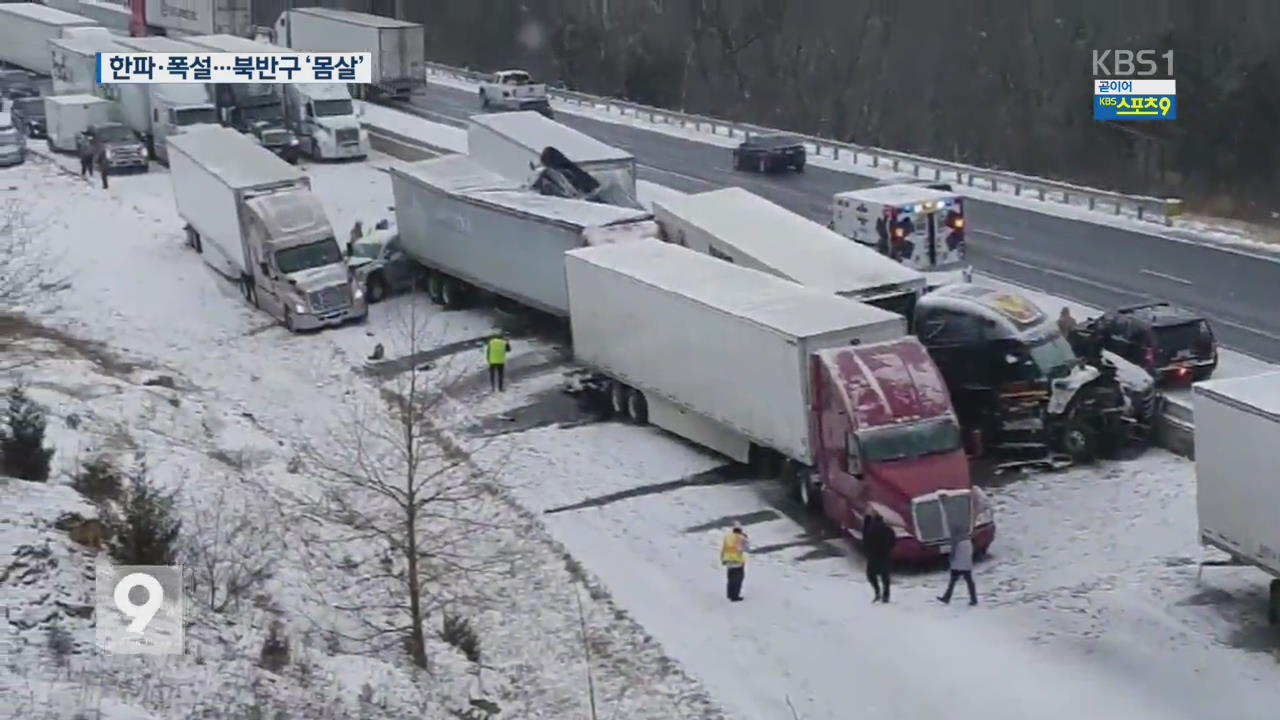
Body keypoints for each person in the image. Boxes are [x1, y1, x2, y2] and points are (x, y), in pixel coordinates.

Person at [862, 509, 896, 603]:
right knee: (885, 576)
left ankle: (877, 592)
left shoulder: (870, 528)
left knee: (871, 575)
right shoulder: (886, 528)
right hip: (884, 554)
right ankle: (886, 595)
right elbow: (893, 538)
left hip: (873, 555)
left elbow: (865, 540)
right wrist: (889, 548)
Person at [938, 530, 978, 606]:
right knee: (969, 582)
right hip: (966, 564)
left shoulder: (956, 541)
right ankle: (974, 599)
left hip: (957, 564)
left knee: (952, 582)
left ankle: (946, 597)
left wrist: (950, 560)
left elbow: (953, 553)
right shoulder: (968, 540)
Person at [720, 526, 749, 601]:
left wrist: (722, 559)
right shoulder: (741, 538)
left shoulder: (727, 537)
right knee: (738, 580)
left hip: (728, 561)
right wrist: (746, 539)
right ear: (740, 532)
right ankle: (735, 596)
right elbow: (746, 548)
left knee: (730, 579)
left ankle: (730, 594)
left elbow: (723, 549)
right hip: (737, 562)